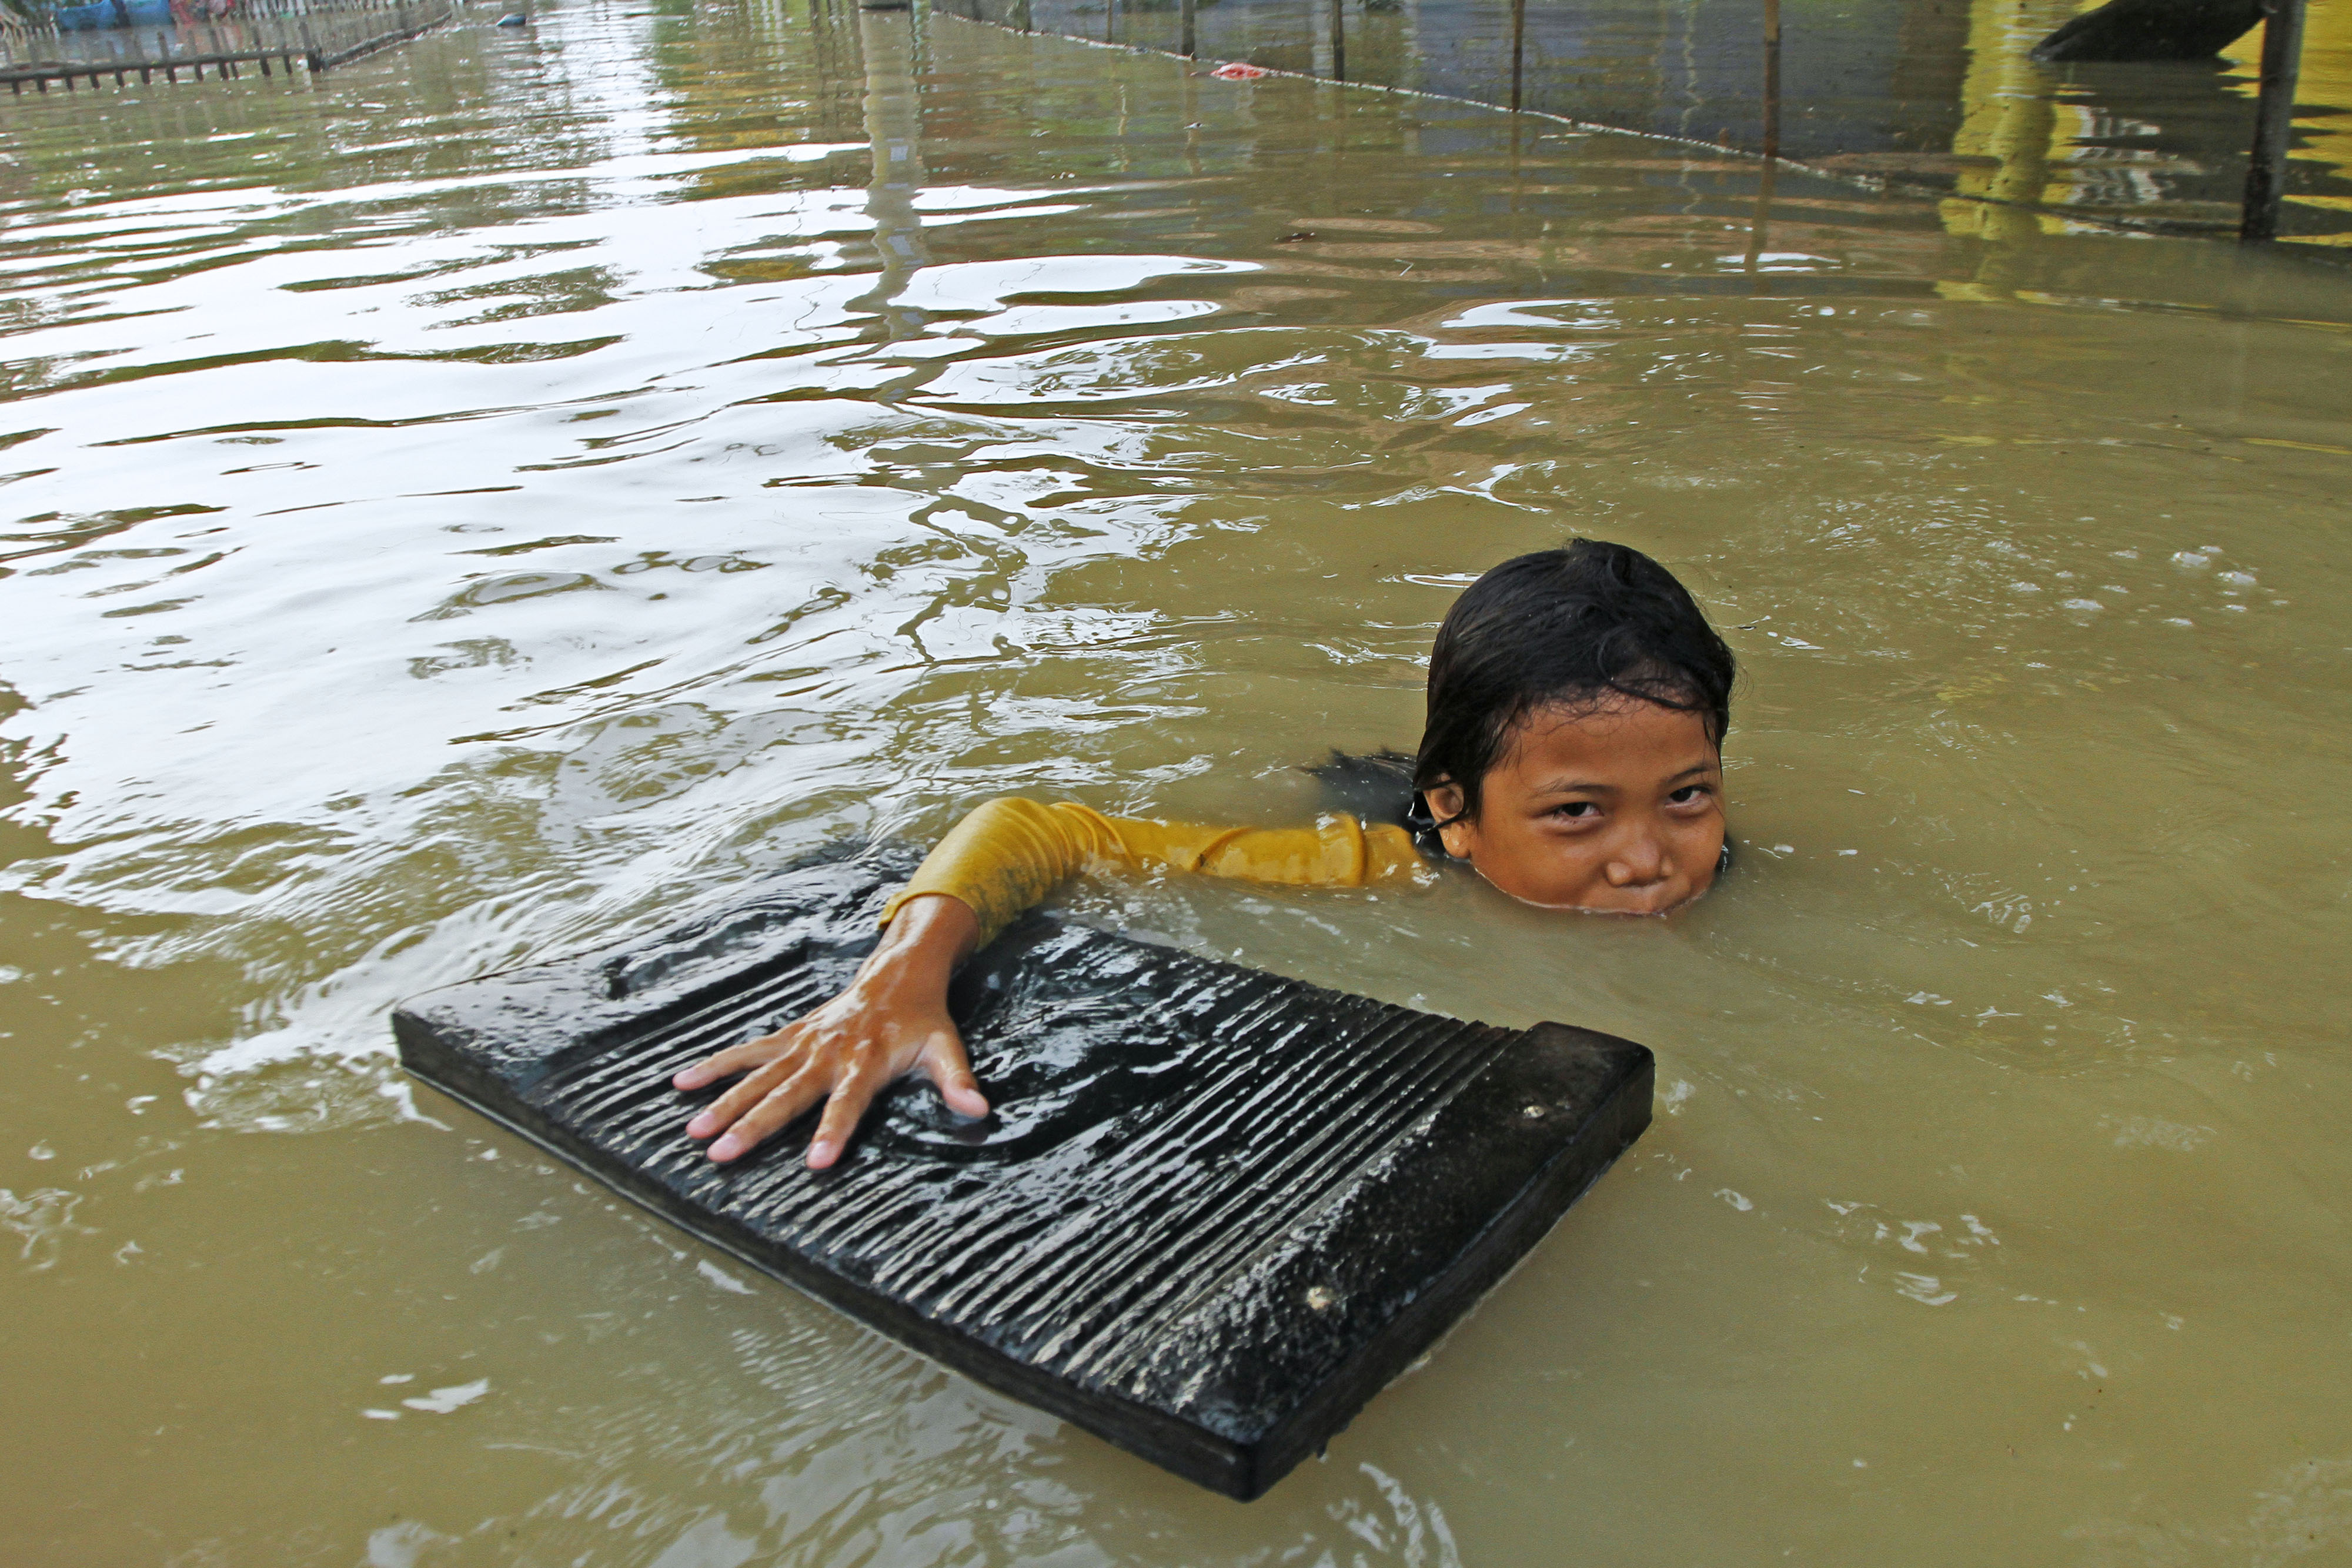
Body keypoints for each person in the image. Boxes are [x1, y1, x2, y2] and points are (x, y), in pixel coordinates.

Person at [675, 539, 1736, 1168]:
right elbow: (1042, 826)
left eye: (1687, 795)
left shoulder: (1726, 865)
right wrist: (898, 978)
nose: (1647, 859)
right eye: (1578, 815)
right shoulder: (1371, 869)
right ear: (1458, 815)